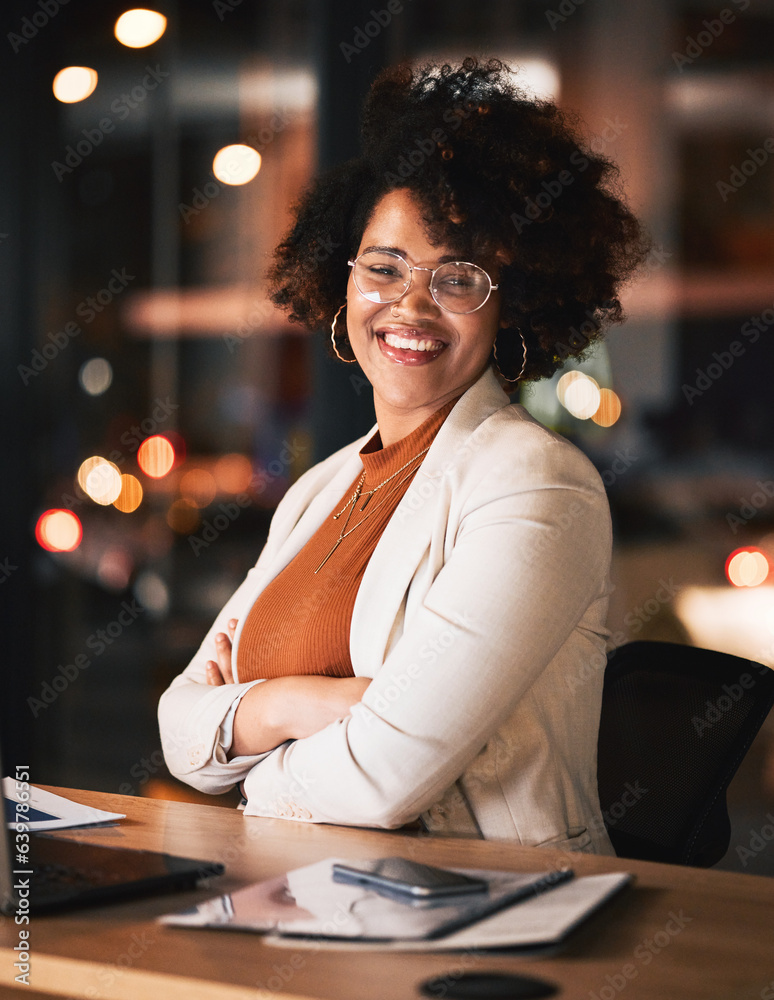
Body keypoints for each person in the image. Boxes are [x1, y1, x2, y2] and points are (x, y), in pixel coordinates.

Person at [159, 58, 647, 853]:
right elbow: (179, 727)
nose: (410, 304)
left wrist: (248, 759)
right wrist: (286, 705)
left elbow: (387, 778)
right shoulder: (320, 490)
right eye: (383, 267)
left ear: (510, 307)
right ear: (341, 279)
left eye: (458, 278)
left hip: (481, 925)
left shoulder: (538, 485)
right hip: (303, 901)